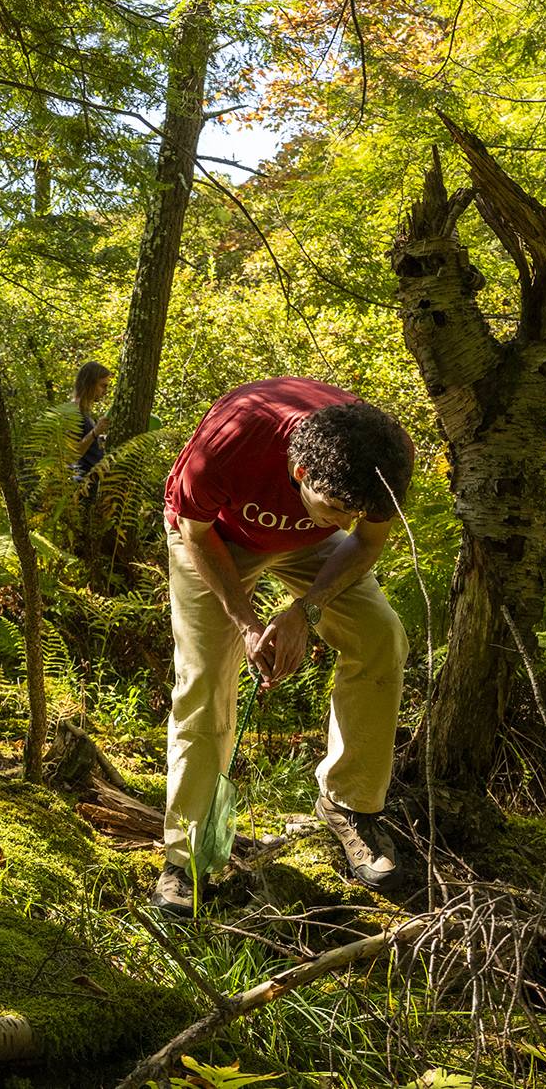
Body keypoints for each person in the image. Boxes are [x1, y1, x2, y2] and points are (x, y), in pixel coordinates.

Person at [155, 377, 415, 917]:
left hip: (307, 547)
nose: (347, 520)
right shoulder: (230, 444)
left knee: (380, 635)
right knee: (206, 679)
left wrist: (307, 608)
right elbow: (194, 534)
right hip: (217, 540)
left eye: (355, 510)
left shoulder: (381, 462)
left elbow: (364, 541)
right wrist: (247, 622)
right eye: (338, 505)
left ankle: (349, 804)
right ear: (300, 471)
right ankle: (187, 857)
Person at [71, 361, 112, 478]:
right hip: (82, 485)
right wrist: (95, 432)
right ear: (89, 383)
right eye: (102, 386)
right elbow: (72, 455)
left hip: (92, 483)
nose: (105, 391)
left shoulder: (85, 412)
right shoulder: (73, 412)